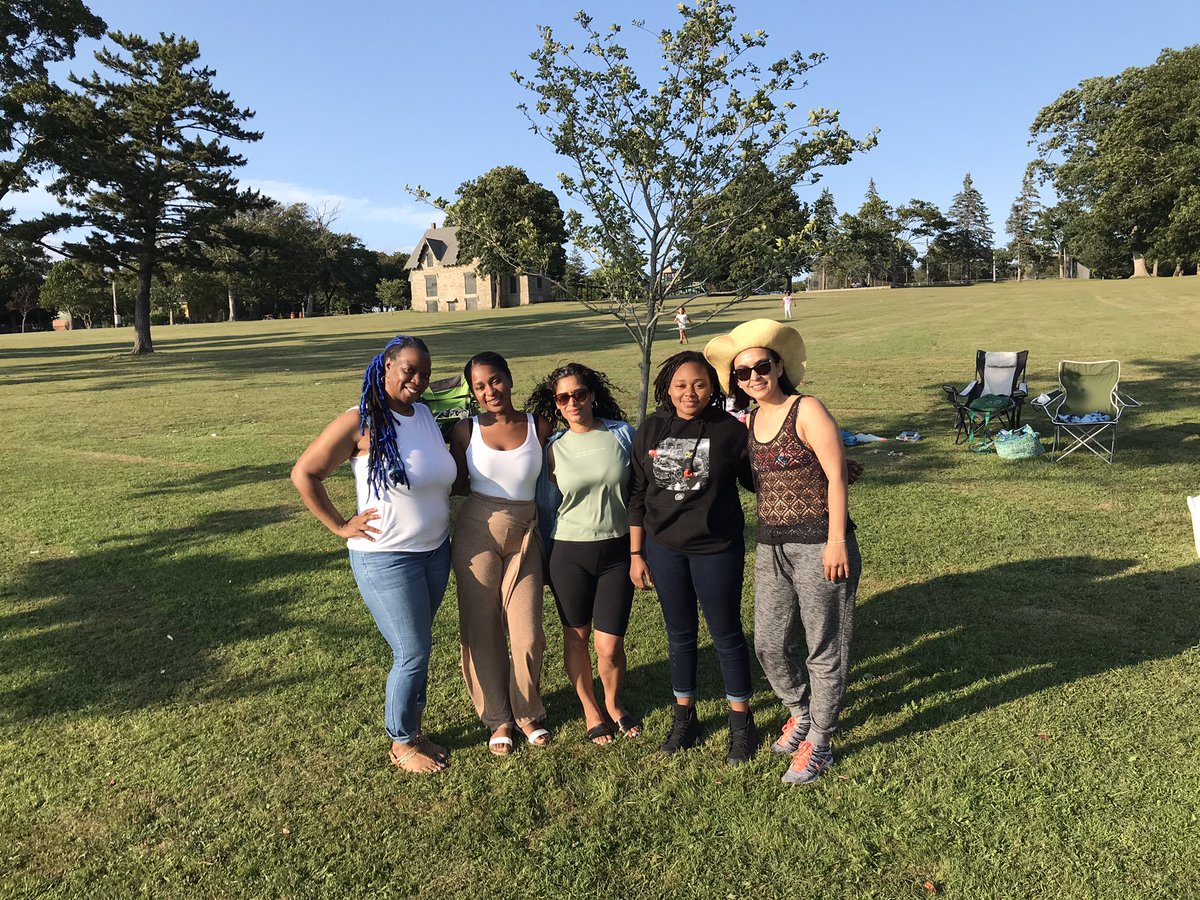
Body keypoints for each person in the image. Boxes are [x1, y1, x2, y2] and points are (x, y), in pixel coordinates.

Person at [290, 335, 456, 775]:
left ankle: (415, 729)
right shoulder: (360, 421)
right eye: (409, 371)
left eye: (425, 372)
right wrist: (340, 525)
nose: (418, 381)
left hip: (435, 552)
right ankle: (401, 742)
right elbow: (304, 473)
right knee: (412, 650)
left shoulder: (422, 414)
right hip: (386, 556)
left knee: (420, 644)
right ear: (385, 367)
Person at [704, 319, 861, 785]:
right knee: (769, 643)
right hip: (771, 545)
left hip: (820, 544)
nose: (753, 376)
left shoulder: (806, 408)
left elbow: (834, 475)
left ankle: (821, 741)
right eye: (742, 372)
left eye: (761, 366)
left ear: (779, 366)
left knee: (824, 646)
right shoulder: (751, 419)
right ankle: (801, 711)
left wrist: (835, 540)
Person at [627, 351, 759, 765]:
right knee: (679, 633)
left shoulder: (730, 431)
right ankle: (685, 716)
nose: (691, 393)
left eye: (700, 384)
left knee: (726, 633)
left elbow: (759, 481)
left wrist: (819, 466)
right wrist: (636, 553)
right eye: (682, 385)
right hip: (663, 549)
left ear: (713, 388)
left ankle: (742, 723)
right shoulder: (650, 429)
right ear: (668, 387)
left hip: (716, 549)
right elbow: (636, 494)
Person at [450, 351, 555, 756]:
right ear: (472, 392)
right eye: (479, 386)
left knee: (527, 632)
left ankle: (528, 712)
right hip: (478, 530)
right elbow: (455, 482)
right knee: (482, 627)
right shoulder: (465, 430)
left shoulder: (537, 425)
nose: (489, 391)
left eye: (495, 380)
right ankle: (498, 718)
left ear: (509, 379)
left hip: (527, 533)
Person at [529, 363, 640, 745]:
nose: (573, 402)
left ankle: (612, 701)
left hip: (618, 551)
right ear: (556, 404)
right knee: (575, 638)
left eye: (579, 394)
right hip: (568, 553)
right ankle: (591, 709)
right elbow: (546, 509)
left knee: (609, 645)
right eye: (563, 397)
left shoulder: (622, 435)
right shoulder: (553, 449)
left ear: (592, 394)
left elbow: (642, 492)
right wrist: (543, 563)